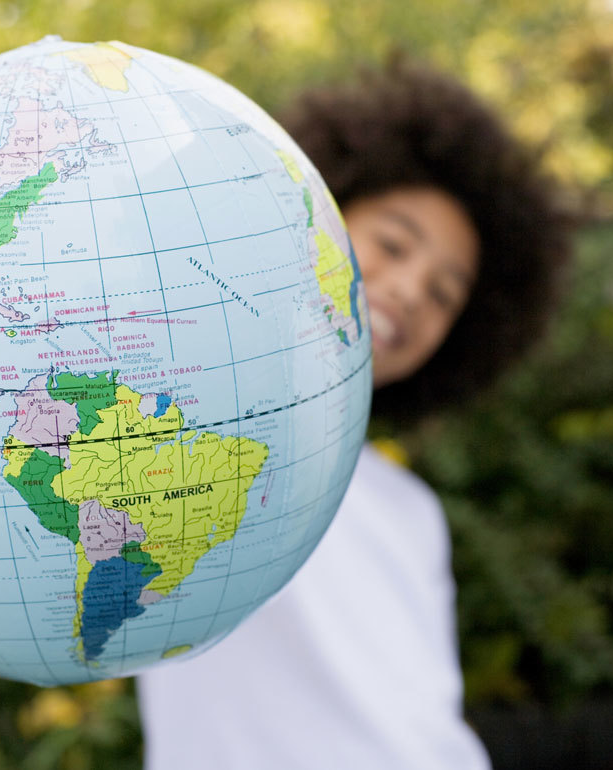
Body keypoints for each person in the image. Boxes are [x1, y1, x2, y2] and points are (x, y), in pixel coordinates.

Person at [137, 59, 572, 769]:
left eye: (444, 295)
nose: (408, 290)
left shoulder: (414, 511)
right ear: (315, 218)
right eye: (393, 245)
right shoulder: (193, 432)